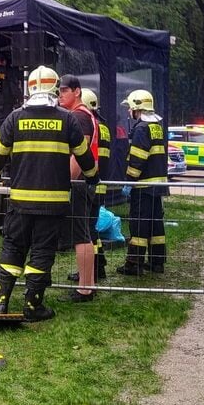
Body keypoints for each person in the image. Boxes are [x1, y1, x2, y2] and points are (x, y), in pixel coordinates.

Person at [0, 65, 98, 321]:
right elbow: (84, 156)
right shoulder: (67, 119)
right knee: (42, 253)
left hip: (20, 201)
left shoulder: (14, 118)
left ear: (30, 88)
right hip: (54, 203)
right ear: (55, 88)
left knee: (12, 248)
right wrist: (93, 179)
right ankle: (33, 307)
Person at [117, 89, 169, 275]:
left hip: (143, 185)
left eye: (129, 108)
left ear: (136, 108)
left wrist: (129, 182)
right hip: (158, 185)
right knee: (156, 225)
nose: (128, 111)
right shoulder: (157, 126)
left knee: (139, 224)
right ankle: (157, 263)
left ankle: (134, 264)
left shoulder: (141, 128)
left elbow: (138, 159)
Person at [58, 74, 98, 302]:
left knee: (81, 236)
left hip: (79, 182)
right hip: (85, 181)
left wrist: (68, 180)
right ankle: (88, 285)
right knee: (84, 235)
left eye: (64, 90)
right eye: (59, 91)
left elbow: (77, 153)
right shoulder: (85, 115)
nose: (60, 95)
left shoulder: (79, 117)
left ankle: (84, 289)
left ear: (77, 91)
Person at [79, 88, 112, 281]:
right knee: (91, 227)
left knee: (87, 229)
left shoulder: (89, 126)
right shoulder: (104, 127)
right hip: (101, 184)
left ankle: (94, 269)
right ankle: (98, 265)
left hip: (89, 184)